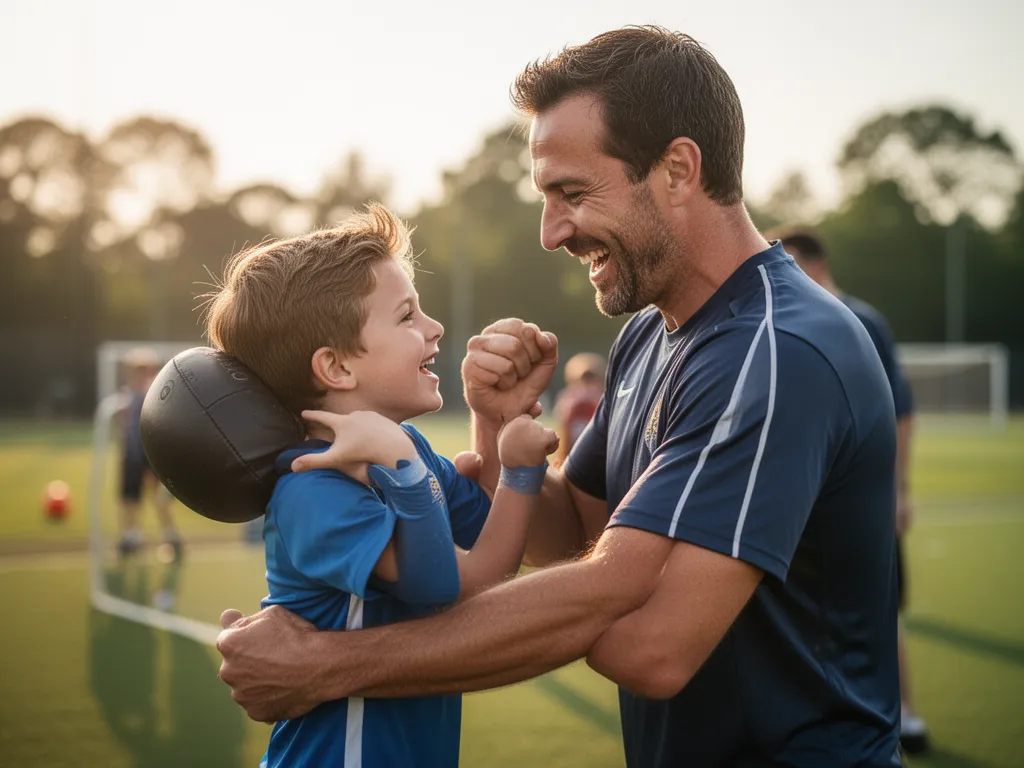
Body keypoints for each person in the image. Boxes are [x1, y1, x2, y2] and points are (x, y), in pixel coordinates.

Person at [217, 27, 902, 767]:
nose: (550, 232)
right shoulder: (652, 333)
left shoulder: (775, 351)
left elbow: (652, 647)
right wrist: (499, 428)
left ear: (677, 170)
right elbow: (574, 535)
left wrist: (328, 665)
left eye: (572, 193)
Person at [203, 203, 559, 768]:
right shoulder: (310, 490)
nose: (434, 328)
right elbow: (458, 583)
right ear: (337, 368)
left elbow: (492, 534)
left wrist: (493, 423)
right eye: (407, 317)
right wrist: (517, 470)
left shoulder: (408, 448)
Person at [772, 228, 929, 756]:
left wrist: (898, 490)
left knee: (877, 606)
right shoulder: (781, 315)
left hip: (858, 501)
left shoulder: (860, 320)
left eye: (787, 262)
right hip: (804, 503)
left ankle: (903, 713)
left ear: (814, 263)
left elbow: (900, 412)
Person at [116, 348, 181, 559]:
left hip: (148, 453)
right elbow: (124, 426)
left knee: (158, 495)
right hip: (131, 453)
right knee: (130, 498)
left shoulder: (152, 392)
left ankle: (171, 535)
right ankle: (131, 536)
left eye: (142, 369)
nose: (139, 373)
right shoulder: (127, 395)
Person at [552, 351, 606, 461]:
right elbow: (563, 446)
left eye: (590, 381)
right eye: (579, 383)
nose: (585, 391)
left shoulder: (606, 403)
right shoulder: (568, 404)